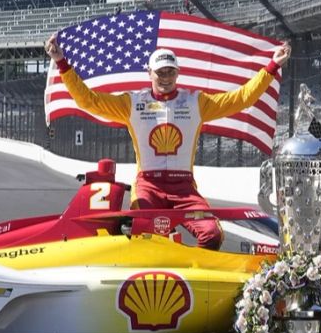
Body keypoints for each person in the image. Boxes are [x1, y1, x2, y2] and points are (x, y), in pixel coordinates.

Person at [45, 35, 291, 250]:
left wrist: (271, 67)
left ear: (178, 73)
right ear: (149, 73)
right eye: (160, 72)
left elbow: (241, 99)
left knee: (212, 234)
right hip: (148, 186)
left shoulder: (197, 102)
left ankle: (192, 276)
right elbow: (89, 101)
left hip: (184, 189)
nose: (165, 77)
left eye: (170, 72)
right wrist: (62, 63)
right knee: (141, 235)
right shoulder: (132, 103)